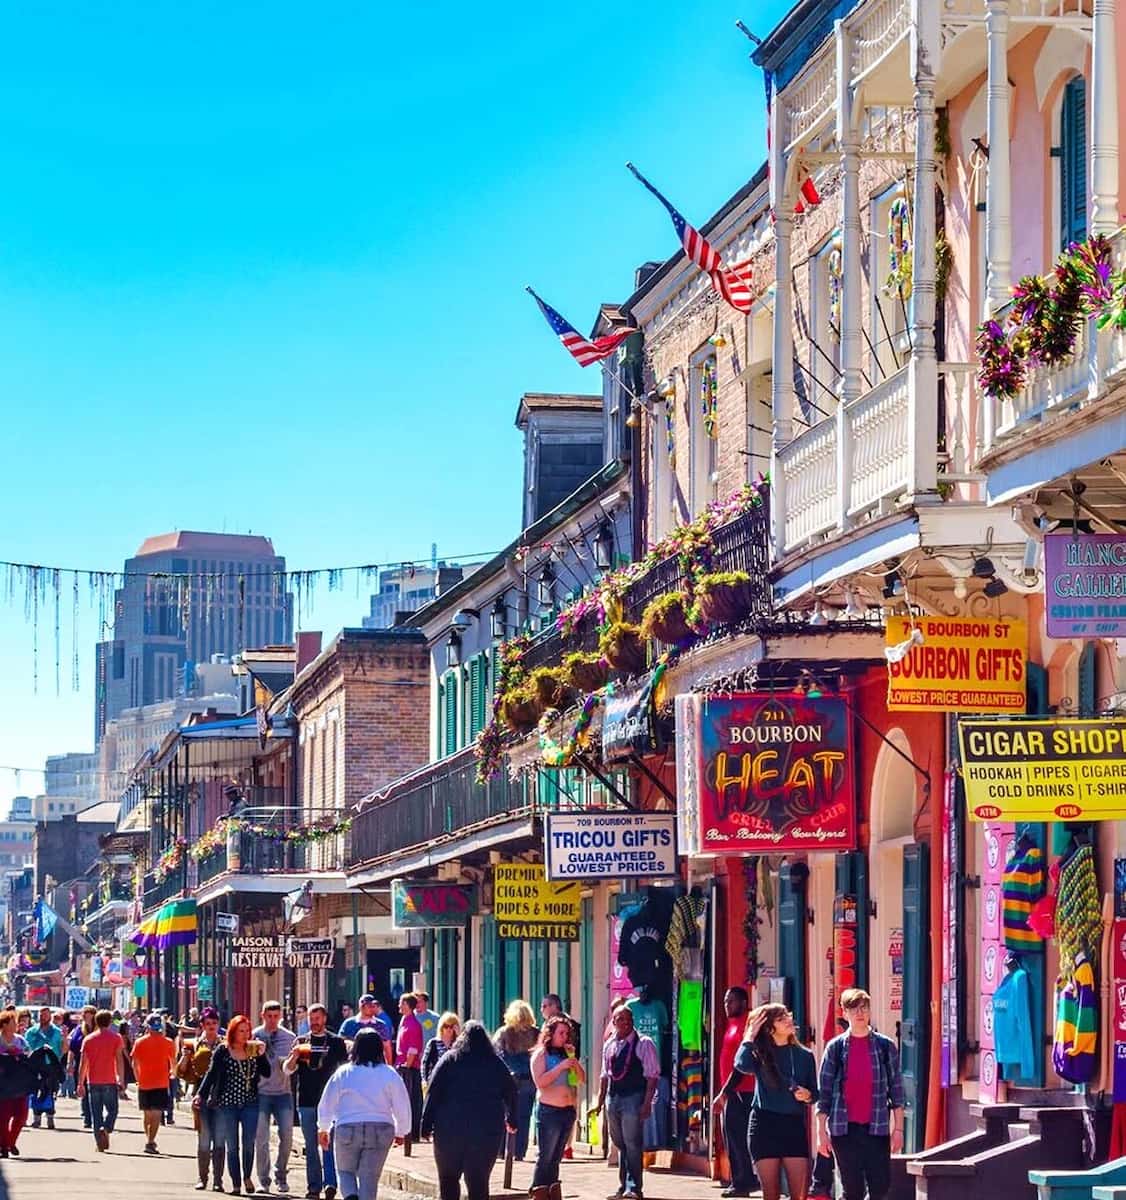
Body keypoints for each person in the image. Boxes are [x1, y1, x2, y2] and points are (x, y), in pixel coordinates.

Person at [816, 988, 906, 1200]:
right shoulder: (835, 1048)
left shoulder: (885, 1047)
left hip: (876, 1128)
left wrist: (899, 1129)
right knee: (853, 1189)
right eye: (854, 1008)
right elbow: (824, 1094)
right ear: (845, 1013)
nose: (860, 1013)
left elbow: (897, 1090)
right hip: (844, 1130)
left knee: (881, 1185)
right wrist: (821, 1132)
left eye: (864, 1007)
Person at [421, 1021, 516, 1200]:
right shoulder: (495, 1063)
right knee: (479, 1182)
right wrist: (512, 1118)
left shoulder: (450, 1059)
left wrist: (425, 1125)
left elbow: (433, 1092)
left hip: (449, 1130)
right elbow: (511, 1090)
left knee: (448, 1179)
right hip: (486, 1131)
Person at [734, 1004, 818, 1200]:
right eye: (781, 1018)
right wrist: (749, 1036)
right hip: (764, 1125)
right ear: (769, 1029)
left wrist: (807, 1095)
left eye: (788, 1015)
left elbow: (816, 1093)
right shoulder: (758, 1053)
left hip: (793, 1125)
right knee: (771, 1194)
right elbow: (740, 1064)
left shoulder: (805, 1055)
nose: (789, 1019)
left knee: (799, 1195)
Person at [316, 1029, 411, 1200]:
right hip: (381, 1127)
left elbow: (327, 1101)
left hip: (347, 1126)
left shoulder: (343, 1072)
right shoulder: (389, 1073)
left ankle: (351, 1196)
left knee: (345, 1171)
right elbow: (402, 1104)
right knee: (369, 1178)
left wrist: (323, 1128)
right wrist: (401, 1130)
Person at [196, 1014, 272, 1197]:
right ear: (233, 1032)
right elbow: (211, 1074)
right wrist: (200, 1094)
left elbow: (267, 1073)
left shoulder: (253, 1049)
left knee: (248, 1143)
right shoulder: (223, 1050)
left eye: (247, 1031)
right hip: (227, 1104)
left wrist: (262, 1056)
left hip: (250, 1103)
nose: (245, 1035)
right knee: (232, 1146)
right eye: (241, 1031)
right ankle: (236, 1183)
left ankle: (247, 1176)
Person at [591, 1005, 660, 1200]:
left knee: (632, 1143)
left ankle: (634, 1187)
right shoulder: (609, 1044)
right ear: (613, 1022)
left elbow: (652, 1076)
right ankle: (623, 1186)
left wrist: (647, 1103)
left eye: (628, 1019)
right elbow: (605, 1075)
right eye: (620, 1019)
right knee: (620, 1142)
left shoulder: (644, 1043)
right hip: (614, 1099)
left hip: (633, 1098)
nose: (625, 1022)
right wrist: (600, 1101)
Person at [283, 1003, 348, 1200]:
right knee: (311, 1146)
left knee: (328, 1145)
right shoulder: (301, 1041)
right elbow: (287, 1070)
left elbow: (345, 1069)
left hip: (330, 1102)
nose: (314, 1023)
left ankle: (330, 1184)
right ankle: (314, 1186)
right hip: (306, 1101)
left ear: (325, 1019)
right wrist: (294, 1057)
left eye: (318, 1018)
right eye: (311, 1019)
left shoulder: (336, 1042)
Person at [530, 1016, 585, 1200]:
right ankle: (538, 1191)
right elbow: (540, 1082)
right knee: (545, 1157)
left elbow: (581, 1079)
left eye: (567, 1034)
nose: (564, 1037)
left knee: (556, 1159)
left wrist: (573, 1060)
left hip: (567, 1111)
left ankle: (552, 1192)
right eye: (561, 1033)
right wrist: (560, 1067)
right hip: (549, 1111)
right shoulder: (541, 1055)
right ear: (550, 1034)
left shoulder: (566, 1054)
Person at [713, 987, 759, 1198]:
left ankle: (742, 1182)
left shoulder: (748, 1025)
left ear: (742, 1002)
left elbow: (741, 1066)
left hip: (743, 1091)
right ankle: (742, 1179)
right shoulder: (731, 1024)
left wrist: (724, 1092)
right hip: (733, 1091)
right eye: (725, 1001)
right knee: (732, 1138)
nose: (727, 1005)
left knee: (738, 1138)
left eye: (731, 1001)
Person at [178, 1005, 226, 1191]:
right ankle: (202, 1177)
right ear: (202, 1025)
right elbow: (182, 1072)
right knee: (204, 1139)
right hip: (201, 1096)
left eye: (214, 1022)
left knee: (220, 1140)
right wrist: (184, 1057)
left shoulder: (224, 1044)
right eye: (208, 1023)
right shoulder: (195, 1044)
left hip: (222, 1096)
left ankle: (218, 1180)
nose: (212, 1026)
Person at [253, 999, 298, 1195]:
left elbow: (288, 1067)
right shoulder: (255, 1035)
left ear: (280, 1016)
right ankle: (263, 1180)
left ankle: (281, 1173)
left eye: (275, 1016)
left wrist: (293, 1059)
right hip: (261, 1093)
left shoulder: (289, 1037)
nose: (272, 1020)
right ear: (262, 1015)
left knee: (287, 1136)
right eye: (268, 1016)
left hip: (283, 1093)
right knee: (261, 1138)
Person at [76, 1008, 128, 1153]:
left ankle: (99, 1143)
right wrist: (121, 1079)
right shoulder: (116, 1038)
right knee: (113, 1110)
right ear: (110, 1022)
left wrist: (80, 1083)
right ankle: (106, 1128)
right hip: (109, 1080)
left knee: (96, 1113)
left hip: (93, 1081)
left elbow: (83, 1063)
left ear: (96, 1022)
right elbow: (119, 1060)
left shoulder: (88, 1039)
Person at [493, 1000, 538, 1160]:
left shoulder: (503, 1033)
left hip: (508, 1080)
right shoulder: (536, 1034)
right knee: (524, 1117)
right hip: (529, 1080)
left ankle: (503, 1151)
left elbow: (497, 1055)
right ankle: (519, 1151)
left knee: (505, 1114)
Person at [541, 993, 581, 1160]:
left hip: (567, 1067)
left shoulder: (560, 1025)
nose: (541, 1010)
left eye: (544, 1006)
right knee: (570, 1103)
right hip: (567, 1068)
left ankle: (565, 1145)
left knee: (568, 1104)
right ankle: (567, 1146)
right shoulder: (567, 1024)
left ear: (553, 1006)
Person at [132, 1012, 178, 1154]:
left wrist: (138, 1078)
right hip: (161, 1083)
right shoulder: (168, 1042)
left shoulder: (140, 1042)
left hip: (144, 1082)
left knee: (147, 1115)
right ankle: (150, 1141)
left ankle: (150, 1140)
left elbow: (134, 1063)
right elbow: (173, 1061)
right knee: (157, 1114)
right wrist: (173, 1073)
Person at [26, 1006, 63, 1130]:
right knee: (36, 1092)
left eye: (46, 1015)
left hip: (51, 1065)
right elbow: (27, 1048)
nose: (43, 1017)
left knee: (51, 1091)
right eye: (41, 1015)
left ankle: (50, 1118)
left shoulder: (57, 1032)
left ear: (50, 1016)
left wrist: (58, 1061)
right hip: (36, 1066)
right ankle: (36, 1119)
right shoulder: (32, 1032)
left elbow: (62, 1049)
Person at [394, 993, 424, 1140]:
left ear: (408, 1006)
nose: (399, 1005)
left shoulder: (413, 1024)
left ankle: (410, 1134)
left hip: (409, 1069)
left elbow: (413, 1048)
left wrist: (408, 1065)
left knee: (410, 1101)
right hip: (401, 1065)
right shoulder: (404, 1021)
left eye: (402, 1003)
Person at [0, 1010, 29, 1157]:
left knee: (21, 1115)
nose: (15, 1025)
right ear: (4, 1025)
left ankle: (10, 1142)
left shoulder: (20, 1040)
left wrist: (18, 1052)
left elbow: (28, 1053)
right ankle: (4, 1146)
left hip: (19, 1083)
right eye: (12, 1022)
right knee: (3, 1118)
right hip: (3, 1085)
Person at [70, 1005, 97, 1129]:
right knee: (83, 1089)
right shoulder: (78, 1029)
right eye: (84, 1014)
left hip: (96, 1065)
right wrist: (69, 1063)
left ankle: (95, 1115)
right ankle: (87, 1117)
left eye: (89, 1013)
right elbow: (72, 1048)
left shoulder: (98, 1030)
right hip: (81, 1064)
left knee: (95, 1091)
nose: (86, 1016)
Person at [422, 1012, 459, 1085]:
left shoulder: (458, 1044)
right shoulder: (433, 1043)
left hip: (454, 1082)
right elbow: (425, 1063)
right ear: (441, 1027)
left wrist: (459, 1034)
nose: (448, 1029)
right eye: (446, 1026)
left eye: (451, 1026)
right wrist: (425, 1081)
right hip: (436, 1081)